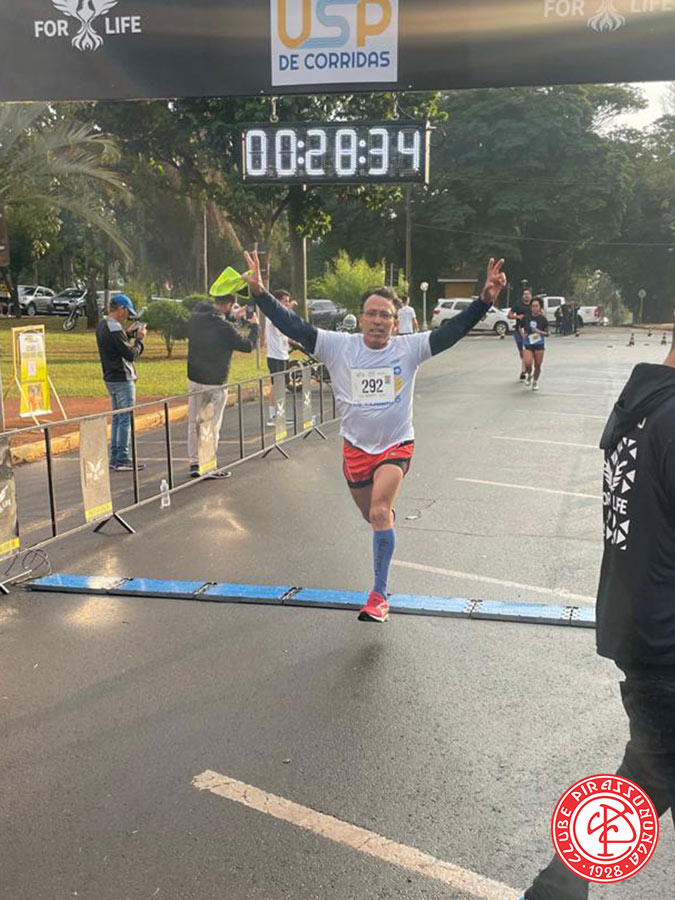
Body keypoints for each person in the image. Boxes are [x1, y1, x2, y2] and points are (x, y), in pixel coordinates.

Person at [242, 250, 506, 623]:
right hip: (355, 449)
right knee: (373, 516)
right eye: (372, 314)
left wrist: (484, 301)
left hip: (396, 445)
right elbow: (294, 326)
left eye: (386, 315)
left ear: (396, 324)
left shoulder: (409, 348)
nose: (378, 321)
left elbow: (452, 331)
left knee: (380, 512)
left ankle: (379, 596)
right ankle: (385, 522)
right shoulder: (338, 346)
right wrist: (260, 294)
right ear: (361, 318)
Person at [519, 324, 675, 900]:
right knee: (648, 776)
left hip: (643, 628)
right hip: (666, 639)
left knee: (649, 775)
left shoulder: (643, 407)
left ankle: (555, 890)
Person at [187, 293, 258, 479]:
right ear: (229, 305)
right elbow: (247, 346)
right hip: (213, 381)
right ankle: (208, 466)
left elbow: (214, 320)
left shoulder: (197, 315)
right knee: (211, 425)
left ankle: (195, 462)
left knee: (194, 422)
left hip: (194, 378)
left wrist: (231, 317)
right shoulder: (224, 327)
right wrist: (254, 326)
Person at [95, 293, 147, 472]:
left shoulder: (103, 325)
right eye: (127, 312)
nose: (127, 316)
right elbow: (130, 354)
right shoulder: (115, 327)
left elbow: (117, 343)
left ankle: (115, 457)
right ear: (121, 309)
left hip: (110, 377)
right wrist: (139, 340)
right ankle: (122, 458)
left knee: (118, 418)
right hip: (122, 378)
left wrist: (128, 334)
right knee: (125, 419)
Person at [265, 289, 296, 427]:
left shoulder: (282, 315)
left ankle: (280, 414)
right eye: (285, 301)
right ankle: (272, 416)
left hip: (283, 354)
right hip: (275, 356)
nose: (287, 304)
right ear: (277, 301)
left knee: (282, 386)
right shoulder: (272, 313)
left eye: (288, 301)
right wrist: (288, 309)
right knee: (276, 385)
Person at [521, 298, 549, 391]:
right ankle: (529, 375)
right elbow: (520, 327)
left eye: (536, 306)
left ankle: (535, 381)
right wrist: (522, 334)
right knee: (528, 363)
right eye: (533, 306)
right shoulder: (526, 317)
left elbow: (547, 333)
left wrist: (538, 331)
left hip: (539, 344)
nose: (534, 308)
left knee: (537, 365)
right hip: (528, 343)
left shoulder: (543, 319)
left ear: (540, 307)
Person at [507, 288, 533, 381]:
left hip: (531, 331)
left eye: (528, 294)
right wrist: (517, 316)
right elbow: (509, 315)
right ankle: (525, 367)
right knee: (522, 351)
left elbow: (541, 313)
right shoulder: (518, 304)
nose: (526, 296)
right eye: (525, 294)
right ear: (522, 296)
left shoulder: (534, 304)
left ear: (531, 295)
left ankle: (524, 371)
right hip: (519, 330)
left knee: (529, 350)